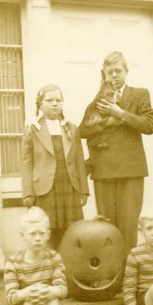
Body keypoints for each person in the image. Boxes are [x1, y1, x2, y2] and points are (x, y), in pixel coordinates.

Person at [79, 52, 153, 256]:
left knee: (129, 226)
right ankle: (111, 276)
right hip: (103, 170)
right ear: (104, 74)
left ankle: (129, 277)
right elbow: (83, 131)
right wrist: (105, 123)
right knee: (106, 227)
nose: (114, 76)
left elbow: (149, 125)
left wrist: (120, 114)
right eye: (109, 72)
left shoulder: (140, 94)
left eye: (118, 71)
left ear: (126, 71)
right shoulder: (98, 100)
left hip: (131, 170)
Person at [22, 84, 89, 249]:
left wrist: (83, 189)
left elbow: (79, 160)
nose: (54, 104)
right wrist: (28, 193)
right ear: (40, 104)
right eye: (49, 100)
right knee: (47, 232)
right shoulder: (32, 129)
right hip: (45, 189)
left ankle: (69, 270)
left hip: (69, 187)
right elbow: (26, 163)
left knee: (72, 233)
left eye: (58, 100)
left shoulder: (71, 128)